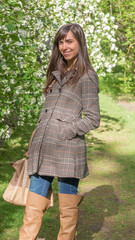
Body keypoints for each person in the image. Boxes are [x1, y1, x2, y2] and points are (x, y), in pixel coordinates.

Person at [19, 23, 100, 240]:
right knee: (32, 207)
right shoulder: (55, 75)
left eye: (69, 41)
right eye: (61, 42)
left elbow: (93, 119)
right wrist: (35, 140)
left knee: (67, 210)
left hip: (68, 150)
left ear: (80, 44)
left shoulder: (87, 77)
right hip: (43, 149)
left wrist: (65, 131)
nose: (64, 46)